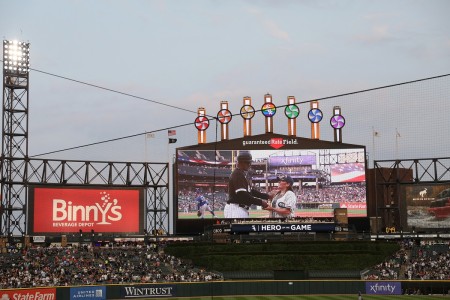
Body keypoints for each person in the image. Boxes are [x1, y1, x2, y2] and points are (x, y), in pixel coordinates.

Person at [224, 152, 273, 218]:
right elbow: (243, 195)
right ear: (242, 162)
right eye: (248, 162)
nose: (250, 164)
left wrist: (267, 196)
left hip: (238, 208)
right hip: (236, 209)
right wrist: (261, 202)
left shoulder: (241, 173)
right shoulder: (238, 174)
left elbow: (250, 192)